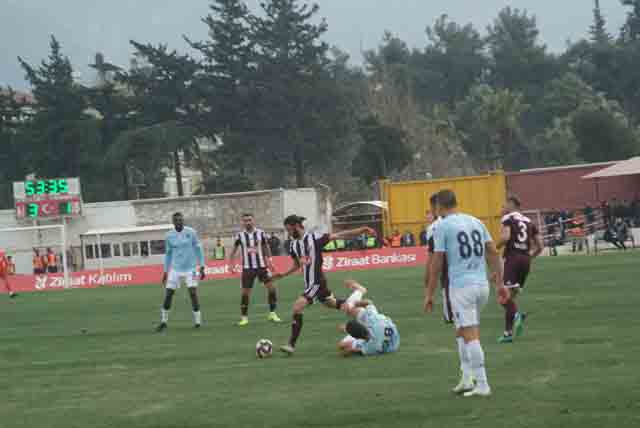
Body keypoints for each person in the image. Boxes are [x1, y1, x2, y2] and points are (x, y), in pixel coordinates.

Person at [425, 189, 509, 398]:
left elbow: (437, 262)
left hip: (461, 287)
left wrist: (429, 293)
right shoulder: (475, 221)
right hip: (481, 284)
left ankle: (482, 384)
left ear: (439, 206)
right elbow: (493, 252)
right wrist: (500, 283)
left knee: (470, 335)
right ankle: (466, 377)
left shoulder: (442, 226)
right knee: (462, 330)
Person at [273, 215, 376, 355]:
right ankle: (361, 307)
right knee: (338, 305)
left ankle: (291, 345)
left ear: (297, 226)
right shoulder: (293, 245)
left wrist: (362, 230)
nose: (289, 233)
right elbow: (297, 265)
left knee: (297, 307)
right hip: (313, 284)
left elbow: (339, 235)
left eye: (290, 230)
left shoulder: (314, 238)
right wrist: (283, 274)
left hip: (316, 282)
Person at [496, 196, 544, 344]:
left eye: (504, 205)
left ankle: (517, 316)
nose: (502, 208)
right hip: (525, 260)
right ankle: (508, 333)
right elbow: (540, 246)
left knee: (503, 297)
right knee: (509, 298)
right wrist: (529, 257)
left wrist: (494, 248)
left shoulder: (508, 218)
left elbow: (505, 237)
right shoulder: (529, 221)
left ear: (511, 204)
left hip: (512, 259)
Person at [229, 213, 281, 326]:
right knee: (245, 293)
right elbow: (233, 250)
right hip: (247, 268)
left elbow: (266, 247)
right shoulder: (240, 235)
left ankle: (272, 314)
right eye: (245, 220)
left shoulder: (260, 233)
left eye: (249, 220)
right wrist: (231, 264)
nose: (247, 222)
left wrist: (270, 261)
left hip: (262, 267)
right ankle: (244, 318)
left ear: (253, 221)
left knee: (272, 288)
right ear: (242, 222)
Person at [157, 212, 206, 332]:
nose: (179, 222)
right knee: (168, 294)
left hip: (191, 268)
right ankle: (163, 322)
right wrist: (165, 271)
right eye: (177, 220)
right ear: (173, 222)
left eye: (181, 220)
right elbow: (168, 254)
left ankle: (198, 322)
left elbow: (198, 249)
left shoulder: (191, 232)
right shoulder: (169, 235)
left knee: (193, 293)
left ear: (183, 221)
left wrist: (202, 266)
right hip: (175, 269)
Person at [336, 280, 400, 357]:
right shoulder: (373, 320)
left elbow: (349, 350)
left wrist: (350, 305)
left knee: (341, 345)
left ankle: (360, 291)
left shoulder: (370, 347)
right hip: (388, 334)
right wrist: (354, 304)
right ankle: (360, 291)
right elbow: (368, 302)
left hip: (381, 334)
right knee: (350, 309)